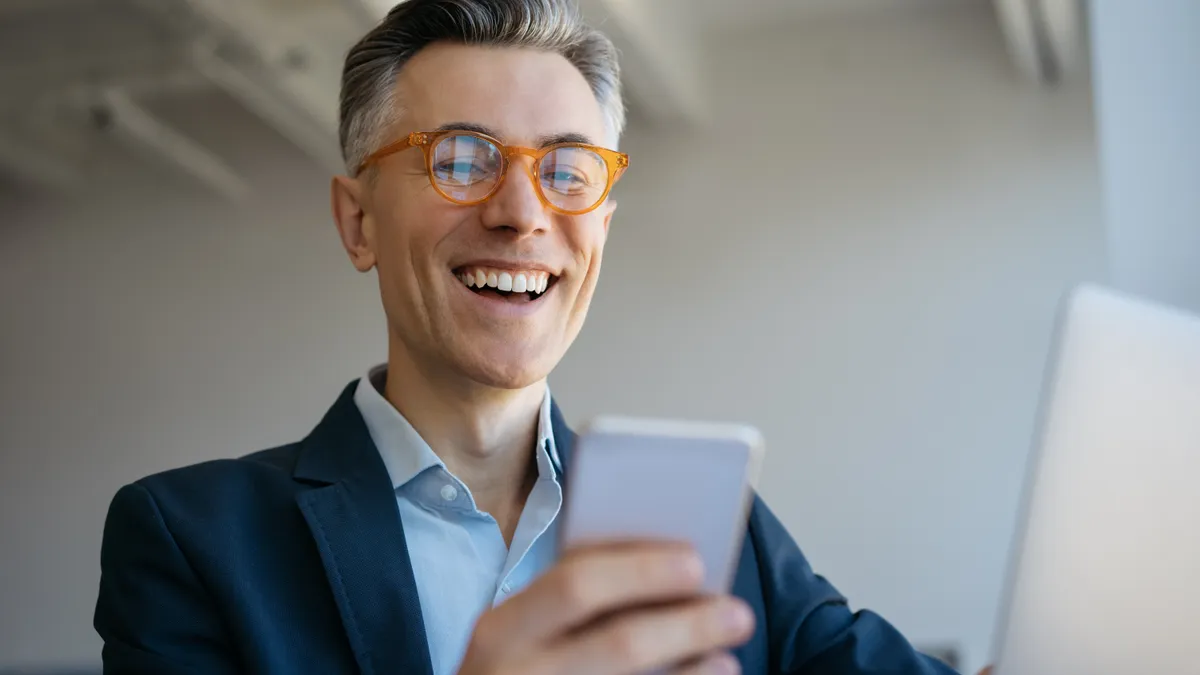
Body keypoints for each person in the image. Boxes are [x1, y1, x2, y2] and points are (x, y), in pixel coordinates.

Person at [93, 1, 984, 673]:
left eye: (566, 171)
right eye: (461, 158)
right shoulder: (193, 541)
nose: (522, 213)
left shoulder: (713, 530)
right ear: (357, 221)